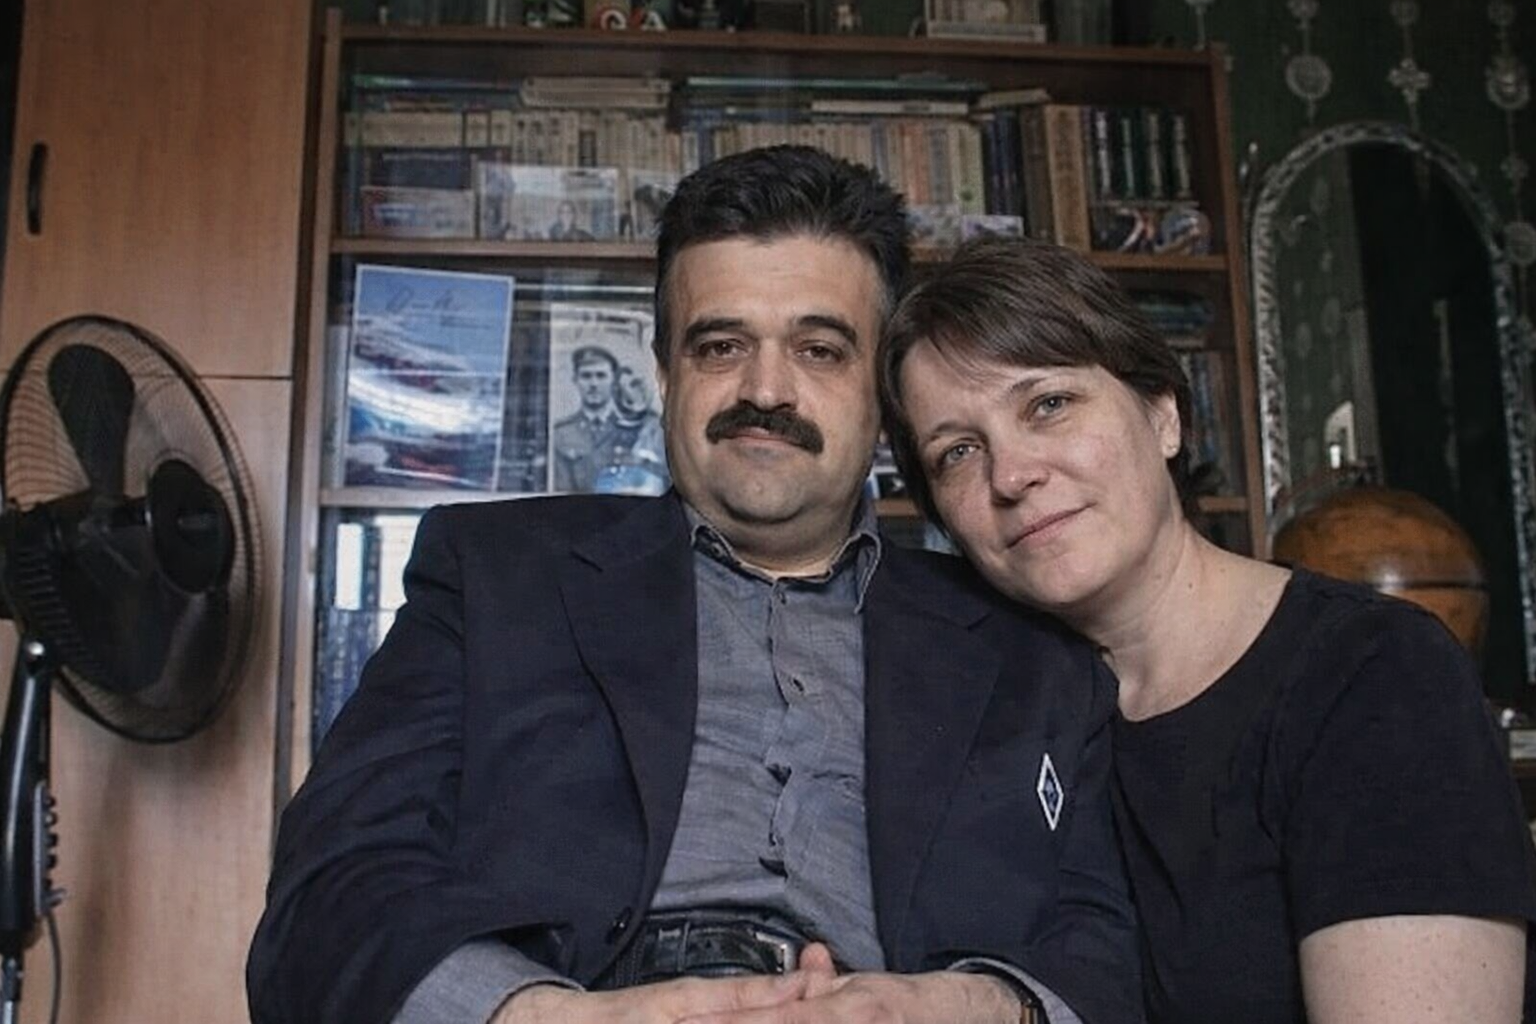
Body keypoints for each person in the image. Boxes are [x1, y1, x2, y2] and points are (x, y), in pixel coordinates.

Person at [247, 147, 1141, 1024]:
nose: (767, 389)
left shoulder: (1028, 651)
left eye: (820, 350)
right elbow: (328, 893)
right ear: (665, 371)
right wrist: (537, 1016)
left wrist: (973, 1007)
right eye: (720, 346)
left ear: (883, 395)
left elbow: (1104, 946)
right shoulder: (494, 577)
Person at [878, 233, 1536, 1024]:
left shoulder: (1375, 675)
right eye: (957, 452)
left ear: (1164, 415)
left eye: (1048, 404)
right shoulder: (995, 722)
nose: (1012, 475)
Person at [550, 344, 624, 491]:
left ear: (614, 380)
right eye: (586, 376)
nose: (593, 384)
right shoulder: (560, 434)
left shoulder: (634, 429)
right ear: (575, 380)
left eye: (601, 376)